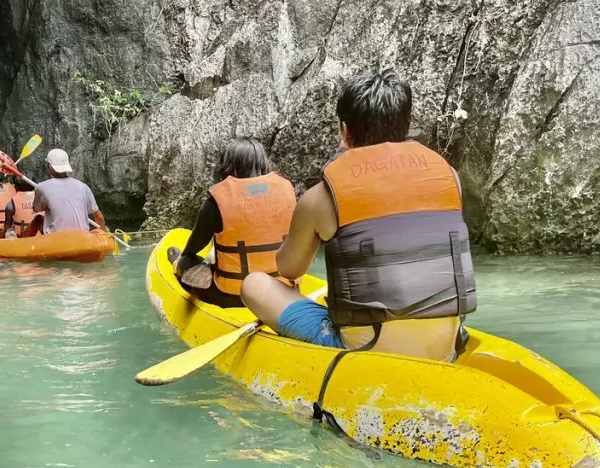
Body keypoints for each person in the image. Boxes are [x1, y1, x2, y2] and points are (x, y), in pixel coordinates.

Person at [239, 68, 476, 361]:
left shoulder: (321, 198)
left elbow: (289, 269)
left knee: (254, 284)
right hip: (446, 343)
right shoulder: (449, 177)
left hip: (366, 348)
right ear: (406, 124)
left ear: (345, 131)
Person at [169, 137, 297, 308]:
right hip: (281, 291)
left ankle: (176, 263)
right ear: (265, 163)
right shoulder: (287, 193)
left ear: (226, 166)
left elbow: (193, 248)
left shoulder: (215, 203)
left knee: (185, 260)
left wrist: (183, 258)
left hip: (233, 296)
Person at [30, 148, 108, 235]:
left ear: (49, 166)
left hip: (57, 239)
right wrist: (104, 231)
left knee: (38, 219)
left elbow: (35, 209)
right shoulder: (83, 187)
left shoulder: (42, 187)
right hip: (82, 237)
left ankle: (22, 244)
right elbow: (99, 216)